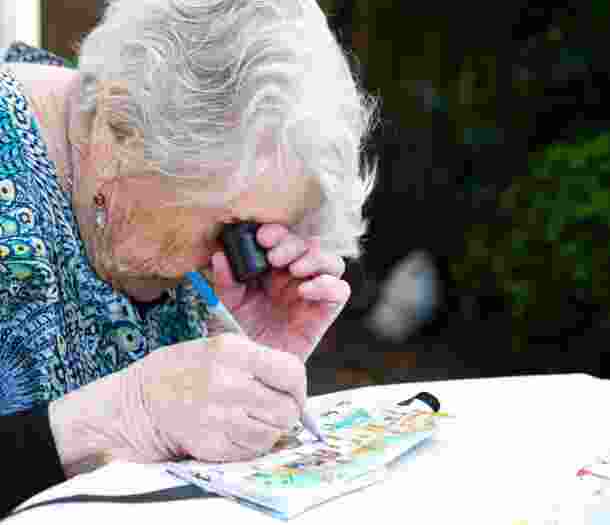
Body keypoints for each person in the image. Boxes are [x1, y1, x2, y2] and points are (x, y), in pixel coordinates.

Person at [0, 0, 378, 515]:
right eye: (233, 229)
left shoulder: (151, 201)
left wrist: (250, 364)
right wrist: (129, 413)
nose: (244, 262)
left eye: (261, 240)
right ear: (119, 129)